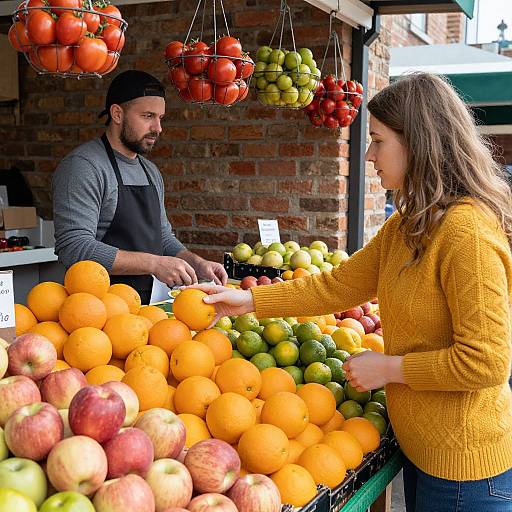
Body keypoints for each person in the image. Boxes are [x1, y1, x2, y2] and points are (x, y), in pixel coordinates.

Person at [189, 73, 512, 511]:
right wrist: (248, 300)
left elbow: (488, 362)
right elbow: (337, 285)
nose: (368, 154)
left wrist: (389, 369)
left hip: (467, 471)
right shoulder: (407, 225)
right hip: (426, 455)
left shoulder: (466, 233)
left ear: (417, 142)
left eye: (378, 141)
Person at [52, 70, 227, 304]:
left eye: (160, 118)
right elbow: (74, 248)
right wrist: (154, 263)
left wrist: (195, 262)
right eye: (147, 116)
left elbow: (163, 238)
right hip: (99, 311)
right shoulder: (83, 167)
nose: (158, 128)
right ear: (117, 114)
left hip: (150, 306)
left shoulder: (151, 171)